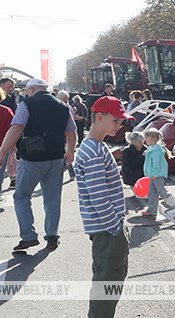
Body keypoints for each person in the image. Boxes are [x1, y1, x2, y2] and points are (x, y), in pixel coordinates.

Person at [0, 78, 76, 251]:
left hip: (32, 158)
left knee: (22, 196)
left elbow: (16, 129)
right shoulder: (62, 105)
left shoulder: (26, 104)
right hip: (55, 157)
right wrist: (70, 152)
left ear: (31, 89)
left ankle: (29, 236)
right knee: (52, 198)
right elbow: (71, 130)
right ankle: (52, 235)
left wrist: (1, 154)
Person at [74, 95, 131, 318]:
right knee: (107, 284)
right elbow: (99, 198)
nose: (120, 125)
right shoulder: (94, 151)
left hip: (105, 228)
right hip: (107, 230)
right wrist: (115, 227)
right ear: (99, 117)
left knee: (106, 281)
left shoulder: (94, 146)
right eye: (116, 120)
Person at [141, 128, 175, 216]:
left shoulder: (156, 151)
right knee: (152, 193)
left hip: (157, 175)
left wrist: (154, 174)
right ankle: (151, 210)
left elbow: (156, 164)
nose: (145, 140)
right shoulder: (152, 148)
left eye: (147, 138)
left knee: (161, 191)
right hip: (153, 175)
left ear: (153, 139)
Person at [57, 91, 77, 181]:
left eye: (66, 100)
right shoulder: (57, 107)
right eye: (64, 100)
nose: (66, 102)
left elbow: (71, 130)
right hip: (60, 137)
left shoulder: (66, 108)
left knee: (67, 156)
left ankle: (71, 173)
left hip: (66, 137)